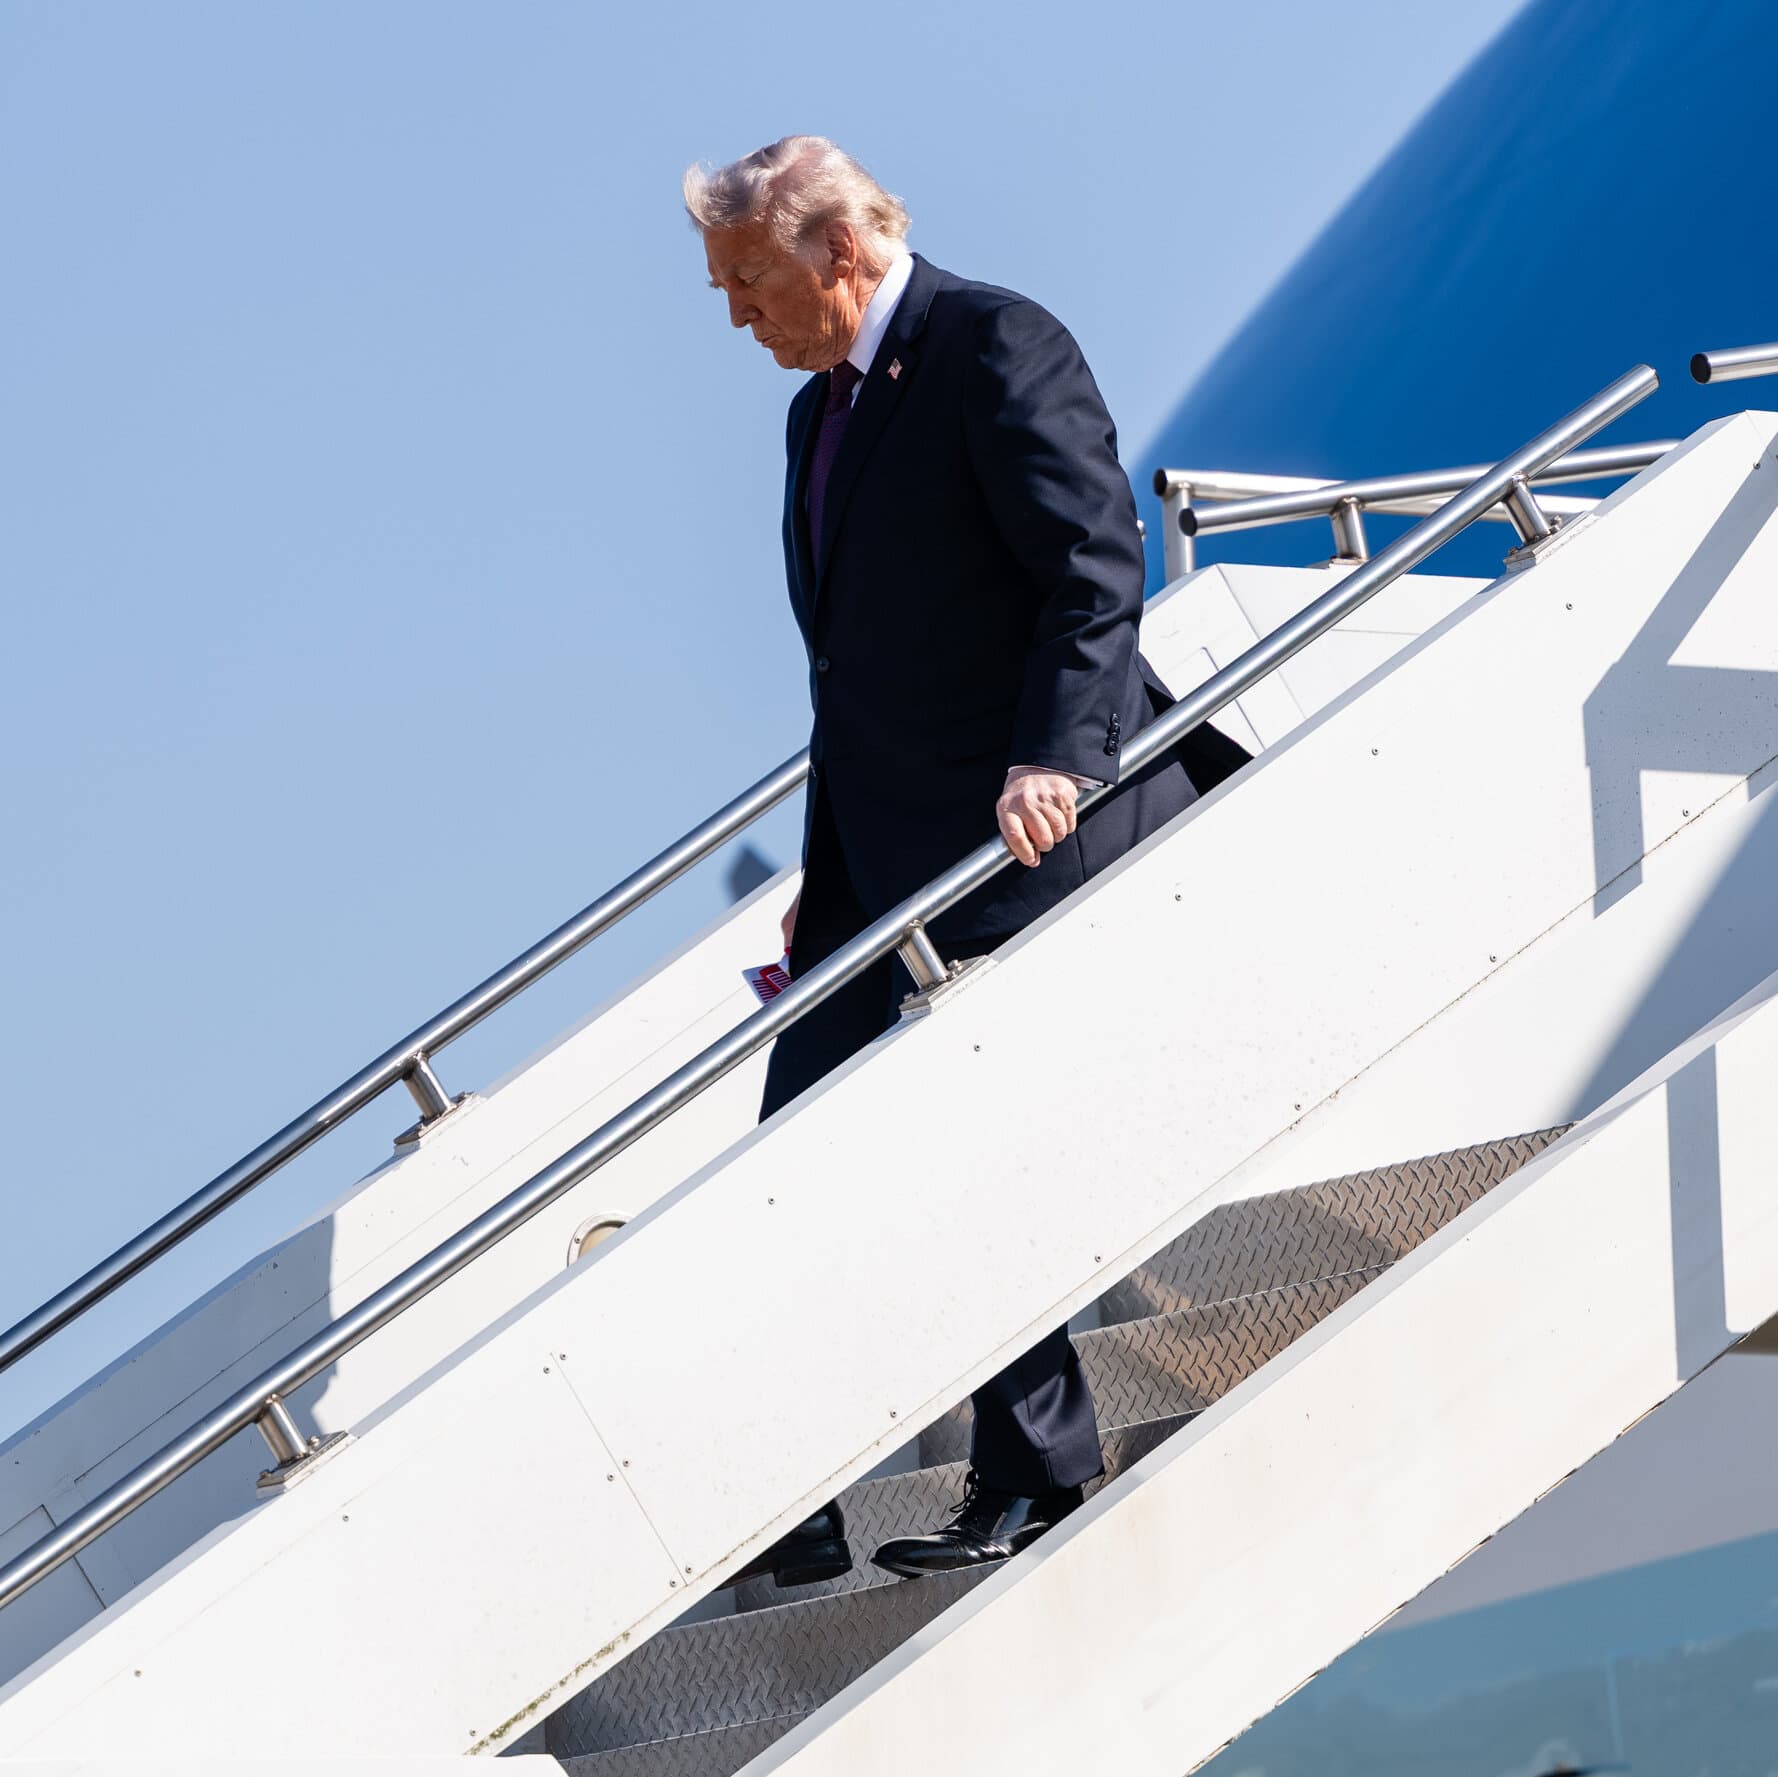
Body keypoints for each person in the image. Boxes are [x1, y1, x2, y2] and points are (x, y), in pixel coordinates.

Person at [685, 137, 1248, 1584]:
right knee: (798, 1166)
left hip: (1025, 825)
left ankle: (1036, 1469)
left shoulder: (991, 340)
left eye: (747, 283)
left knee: (956, 1147)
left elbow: (1090, 564)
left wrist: (1058, 754)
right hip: (882, 859)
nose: (734, 316)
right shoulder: (812, 421)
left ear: (837, 253)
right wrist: (832, 872)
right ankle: (793, 1508)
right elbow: (853, 683)